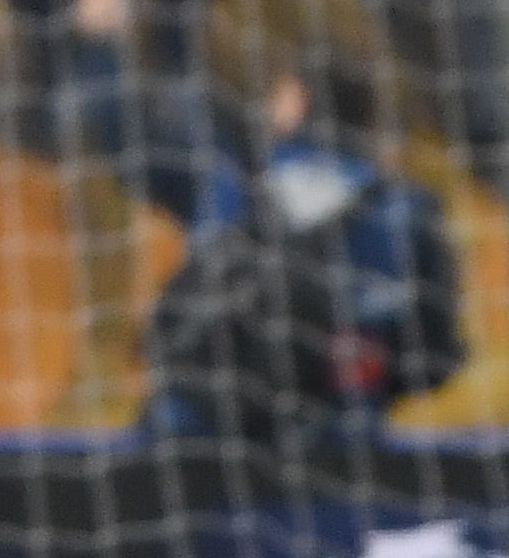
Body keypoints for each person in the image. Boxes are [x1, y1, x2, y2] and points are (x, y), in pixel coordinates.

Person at [146, 58, 463, 442]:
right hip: (346, 424)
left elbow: (197, 284)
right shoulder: (406, 203)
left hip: (214, 416)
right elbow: (435, 346)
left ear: (298, 101)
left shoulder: (235, 184)